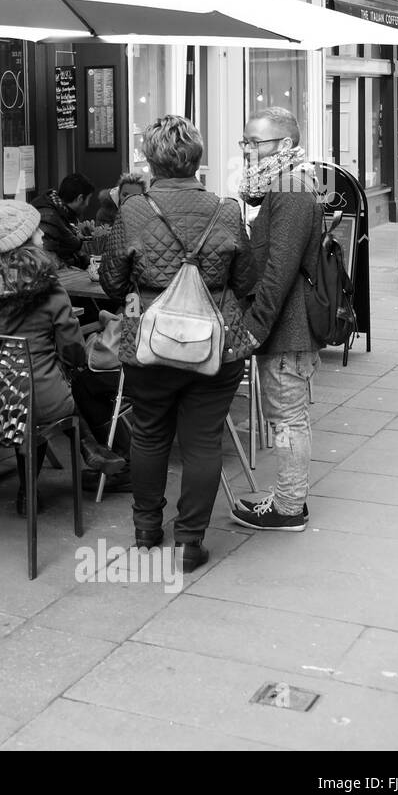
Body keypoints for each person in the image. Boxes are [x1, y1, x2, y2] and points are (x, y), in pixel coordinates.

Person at [100, 116, 258, 570]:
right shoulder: (227, 210)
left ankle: (147, 529)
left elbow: (113, 283)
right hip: (215, 343)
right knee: (204, 441)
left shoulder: (133, 211)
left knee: (148, 434)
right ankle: (189, 542)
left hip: (149, 342)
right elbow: (245, 280)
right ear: (198, 159)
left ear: (150, 161)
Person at [0, 186, 126, 515]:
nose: (42, 233)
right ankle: (43, 479)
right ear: (19, 240)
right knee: (48, 384)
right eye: (35, 229)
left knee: (27, 383)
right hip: (34, 400)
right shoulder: (47, 285)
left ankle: (85, 443)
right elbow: (73, 350)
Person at [232, 106, 324, 531]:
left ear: (284, 145)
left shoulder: (289, 190)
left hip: (287, 329)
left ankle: (289, 508)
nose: (248, 150)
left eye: (256, 142)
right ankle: (287, 500)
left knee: (287, 419)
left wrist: (254, 328)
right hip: (285, 327)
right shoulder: (280, 186)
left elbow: (279, 271)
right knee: (286, 418)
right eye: (245, 141)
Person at [32, 173, 94, 269]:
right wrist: (70, 269)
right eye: (88, 199)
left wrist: (91, 262)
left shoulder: (61, 212)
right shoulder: (48, 216)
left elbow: (68, 248)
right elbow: (45, 257)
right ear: (80, 198)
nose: (87, 204)